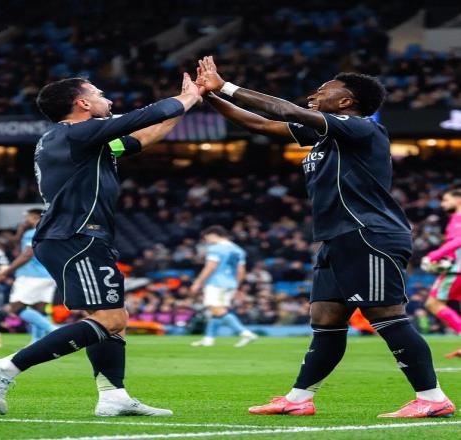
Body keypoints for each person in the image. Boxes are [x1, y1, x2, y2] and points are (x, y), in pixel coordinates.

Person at [195, 56, 455, 418]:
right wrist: (208, 96)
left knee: (387, 316)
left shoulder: (361, 128)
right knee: (326, 318)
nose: (313, 95)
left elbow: (287, 110)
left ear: (346, 102)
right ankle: (298, 399)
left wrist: (225, 86)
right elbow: (260, 123)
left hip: (369, 233)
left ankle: (432, 397)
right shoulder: (325, 135)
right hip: (337, 238)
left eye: (323, 90)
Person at [0, 73, 203, 417]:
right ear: (82, 103)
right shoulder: (76, 132)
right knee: (109, 318)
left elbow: (141, 138)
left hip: (78, 237)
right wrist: (191, 96)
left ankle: (113, 395)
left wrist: (184, 108)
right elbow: (147, 115)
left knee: (113, 319)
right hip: (76, 237)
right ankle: (4, 367)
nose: (107, 99)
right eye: (99, 93)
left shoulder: (84, 142)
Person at [0, 209, 58, 342]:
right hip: (48, 275)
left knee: (15, 308)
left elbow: (27, 255)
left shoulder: (32, 232)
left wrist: (5, 272)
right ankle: (36, 342)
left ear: (34, 217)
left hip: (30, 275)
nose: (25, 220)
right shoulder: (51, 231)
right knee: (38, 310)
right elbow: (18, 246)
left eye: (27, 217)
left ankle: (53, 329)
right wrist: (20, 230)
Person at [190, 225, 258, 348]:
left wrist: (198, 282)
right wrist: (236, 285)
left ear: (213, 235)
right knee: (216, 311)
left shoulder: (215, 249)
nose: (207, 241)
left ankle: (245, 333)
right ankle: (208, 339)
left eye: (207, 238)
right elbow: (241, 270)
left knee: (217, 309)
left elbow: (211, 267)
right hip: (230, 283)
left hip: (216, 283)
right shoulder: (238, 250)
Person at [422, 188, 461, 342]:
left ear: (458, 200)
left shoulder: (458, 217)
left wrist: (435, 255)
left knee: (433, 303)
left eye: (446, 200)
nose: (442, 204)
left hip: (457, 270)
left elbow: (458, 240)